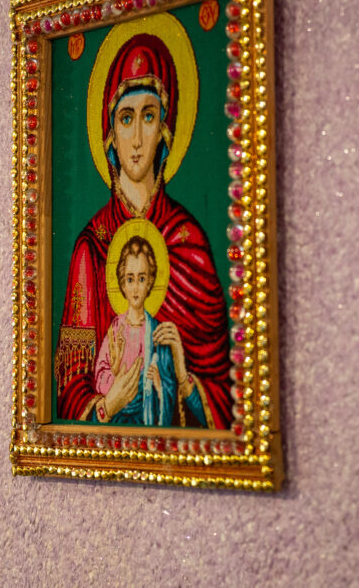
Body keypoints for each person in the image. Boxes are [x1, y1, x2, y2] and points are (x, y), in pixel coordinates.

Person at [56, 32, 232, 428]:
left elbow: (227, 399)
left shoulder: (190, 242)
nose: (136, 139)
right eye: (126, 118)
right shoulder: (92, 247)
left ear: (165, 130)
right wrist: (108, 404)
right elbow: (69, 391)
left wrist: (182, 380)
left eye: (149, 116)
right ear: (110, 135)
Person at [94, 236, 179, 426]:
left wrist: (159, 385)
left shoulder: (157, 332)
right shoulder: (116, 328)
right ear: (123, 284)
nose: (135, 288)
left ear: (149, 282)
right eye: (130, 279)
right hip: (116, 417)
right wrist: (115, 381)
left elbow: (169, 389)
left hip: (147, 418)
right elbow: (100, 374)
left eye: (141, 278)